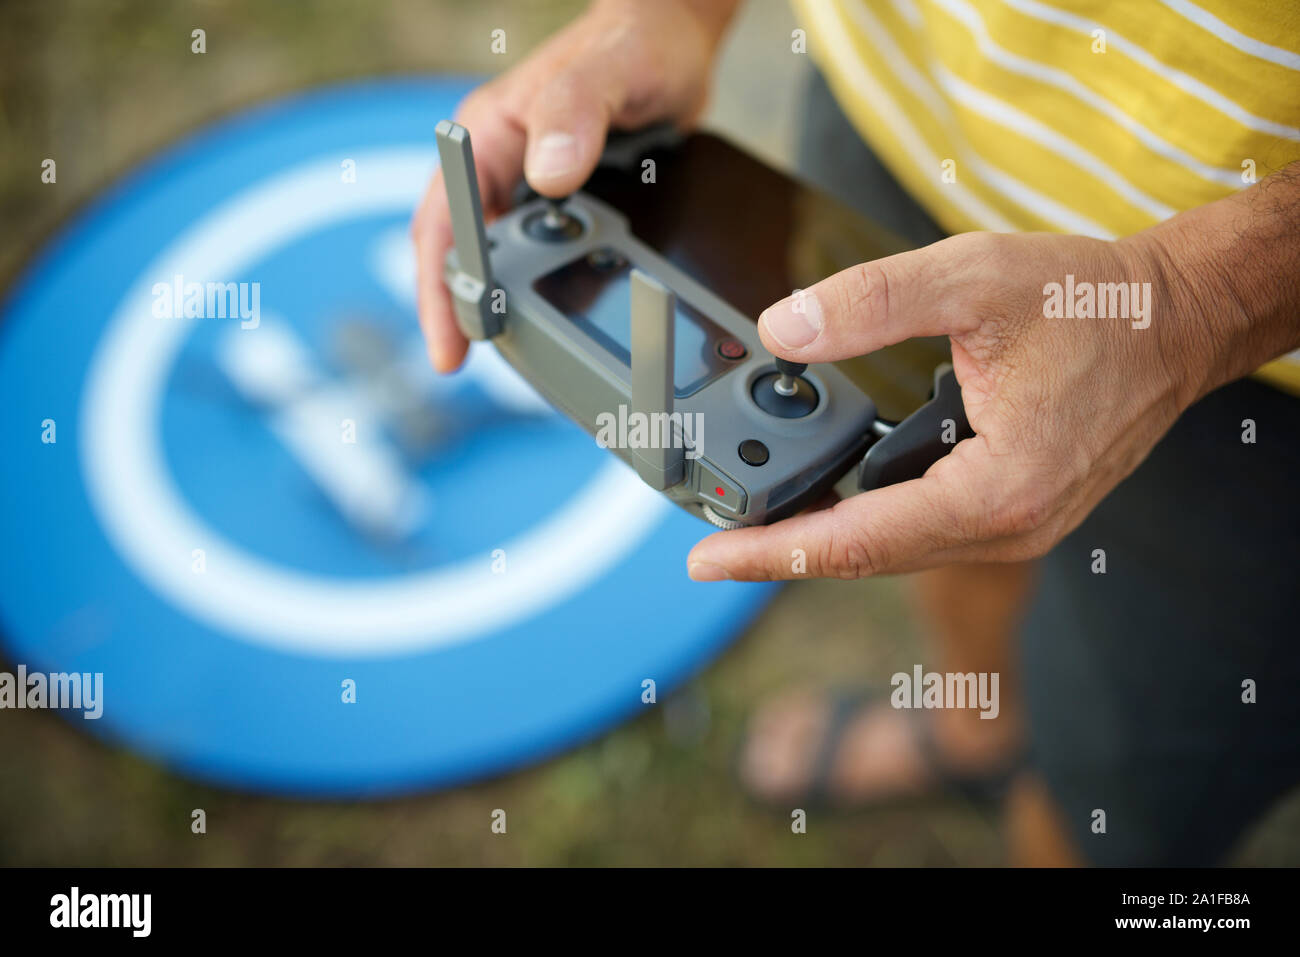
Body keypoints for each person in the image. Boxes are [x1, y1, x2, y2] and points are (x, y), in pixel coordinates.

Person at [412, 0, 1300, 866]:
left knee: (1126, 785)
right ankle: (974, 728)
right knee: (937, 500)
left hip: (1255, 348)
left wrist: (1186, 299)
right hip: (897, 111)